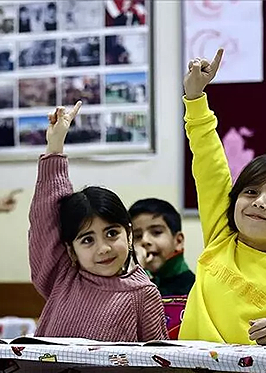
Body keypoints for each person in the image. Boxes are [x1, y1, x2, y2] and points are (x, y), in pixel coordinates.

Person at [178, 49, 266, 345]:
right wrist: (195, 99)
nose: (259, 202)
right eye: (251, 191)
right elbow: (209, 164)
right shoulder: (221, 237)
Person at [28, 102, 167, 342]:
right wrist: (55, 147)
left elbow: (158, 364)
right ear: (71, 250)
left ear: (129, 234)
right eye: (87, 240)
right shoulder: (63, 276)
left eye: (112, 233)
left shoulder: (143, 294)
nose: (103, 248)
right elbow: (45, 219)